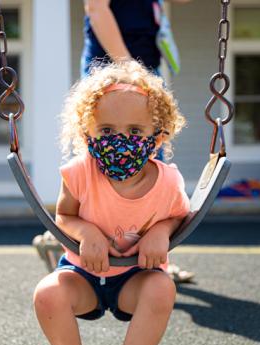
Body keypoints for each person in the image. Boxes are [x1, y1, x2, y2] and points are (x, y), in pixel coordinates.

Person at [33, 60, 190, 345]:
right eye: (106, 130)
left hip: (136, 276)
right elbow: (64, 216)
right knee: (48, 293)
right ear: (87, 132)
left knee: (162, 288)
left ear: (158, 137)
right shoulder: (79, 172)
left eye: (135, 131)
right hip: (83, 275)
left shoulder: (168, 182)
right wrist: (87, 232)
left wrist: (161, 229)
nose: (120, 141)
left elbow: (179, 217)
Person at [82, 0, 195, 283]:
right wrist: (129, 68)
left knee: (152, 167)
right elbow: (96, 8)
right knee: (102, 163)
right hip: (112, 68)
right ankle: (89, 248)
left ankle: (156, 257)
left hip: (146, 68)